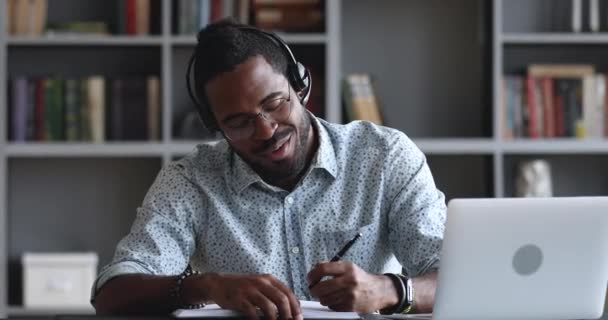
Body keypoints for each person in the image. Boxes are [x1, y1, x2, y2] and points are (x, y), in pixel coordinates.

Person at [92, 19, 446, 320]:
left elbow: (459, 278)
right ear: (214, 125)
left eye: (274, 104)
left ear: (301, 84)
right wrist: (209, 286)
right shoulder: (190, 181)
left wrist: (389, 289)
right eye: (239, 123)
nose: (265, 131)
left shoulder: (385, 156)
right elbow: (112, 294)